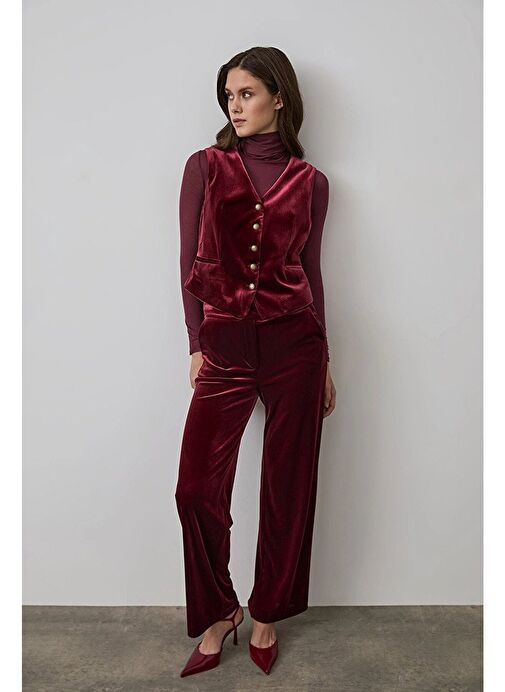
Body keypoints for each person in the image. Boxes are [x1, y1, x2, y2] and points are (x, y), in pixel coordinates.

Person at [175, 46, 336, 678]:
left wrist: (325, 358)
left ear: (279, 97)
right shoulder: (205, 167)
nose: (234, 107)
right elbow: (187, 260)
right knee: (195, 490)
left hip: (297, 345)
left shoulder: (311, 182)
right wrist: (196, 342)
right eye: (229, 96)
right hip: (226, 345)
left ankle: (268, 611)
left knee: (289, 485)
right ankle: (221, 611)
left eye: (246, 93)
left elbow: (311, 270)